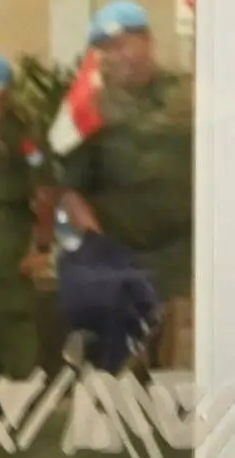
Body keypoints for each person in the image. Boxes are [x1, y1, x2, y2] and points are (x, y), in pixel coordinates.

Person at [57, 1, 194, 369]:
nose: (118, 56)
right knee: (125, 376)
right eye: (106, 48)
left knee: (186, 370)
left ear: (148, 41)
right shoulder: (90, 108)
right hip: (125, 263)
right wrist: (97, 249)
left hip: (188, 259)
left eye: (124, 44)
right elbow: (71, 189)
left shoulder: (192, 94)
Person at [0, 54, 52, 379]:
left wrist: (42, 244)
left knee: (11, 313)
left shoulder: (21, 126)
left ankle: (21, 390)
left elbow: (43, 183)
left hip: (5, 224)